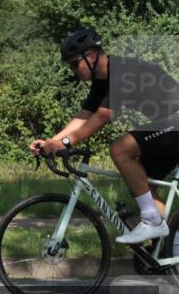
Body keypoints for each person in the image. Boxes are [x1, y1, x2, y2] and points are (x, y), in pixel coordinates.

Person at [31, 28, 179, 243]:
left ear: (90, 55)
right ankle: (172, 252)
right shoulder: (102, 80)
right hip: (168, 128)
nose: (73, 70)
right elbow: (83, 117)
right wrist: (53, 141)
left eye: (74, 64)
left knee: (120, 148)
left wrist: (65, 142)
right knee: (142, 184)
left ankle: (151, 222)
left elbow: (102, 117)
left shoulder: (123, 72)